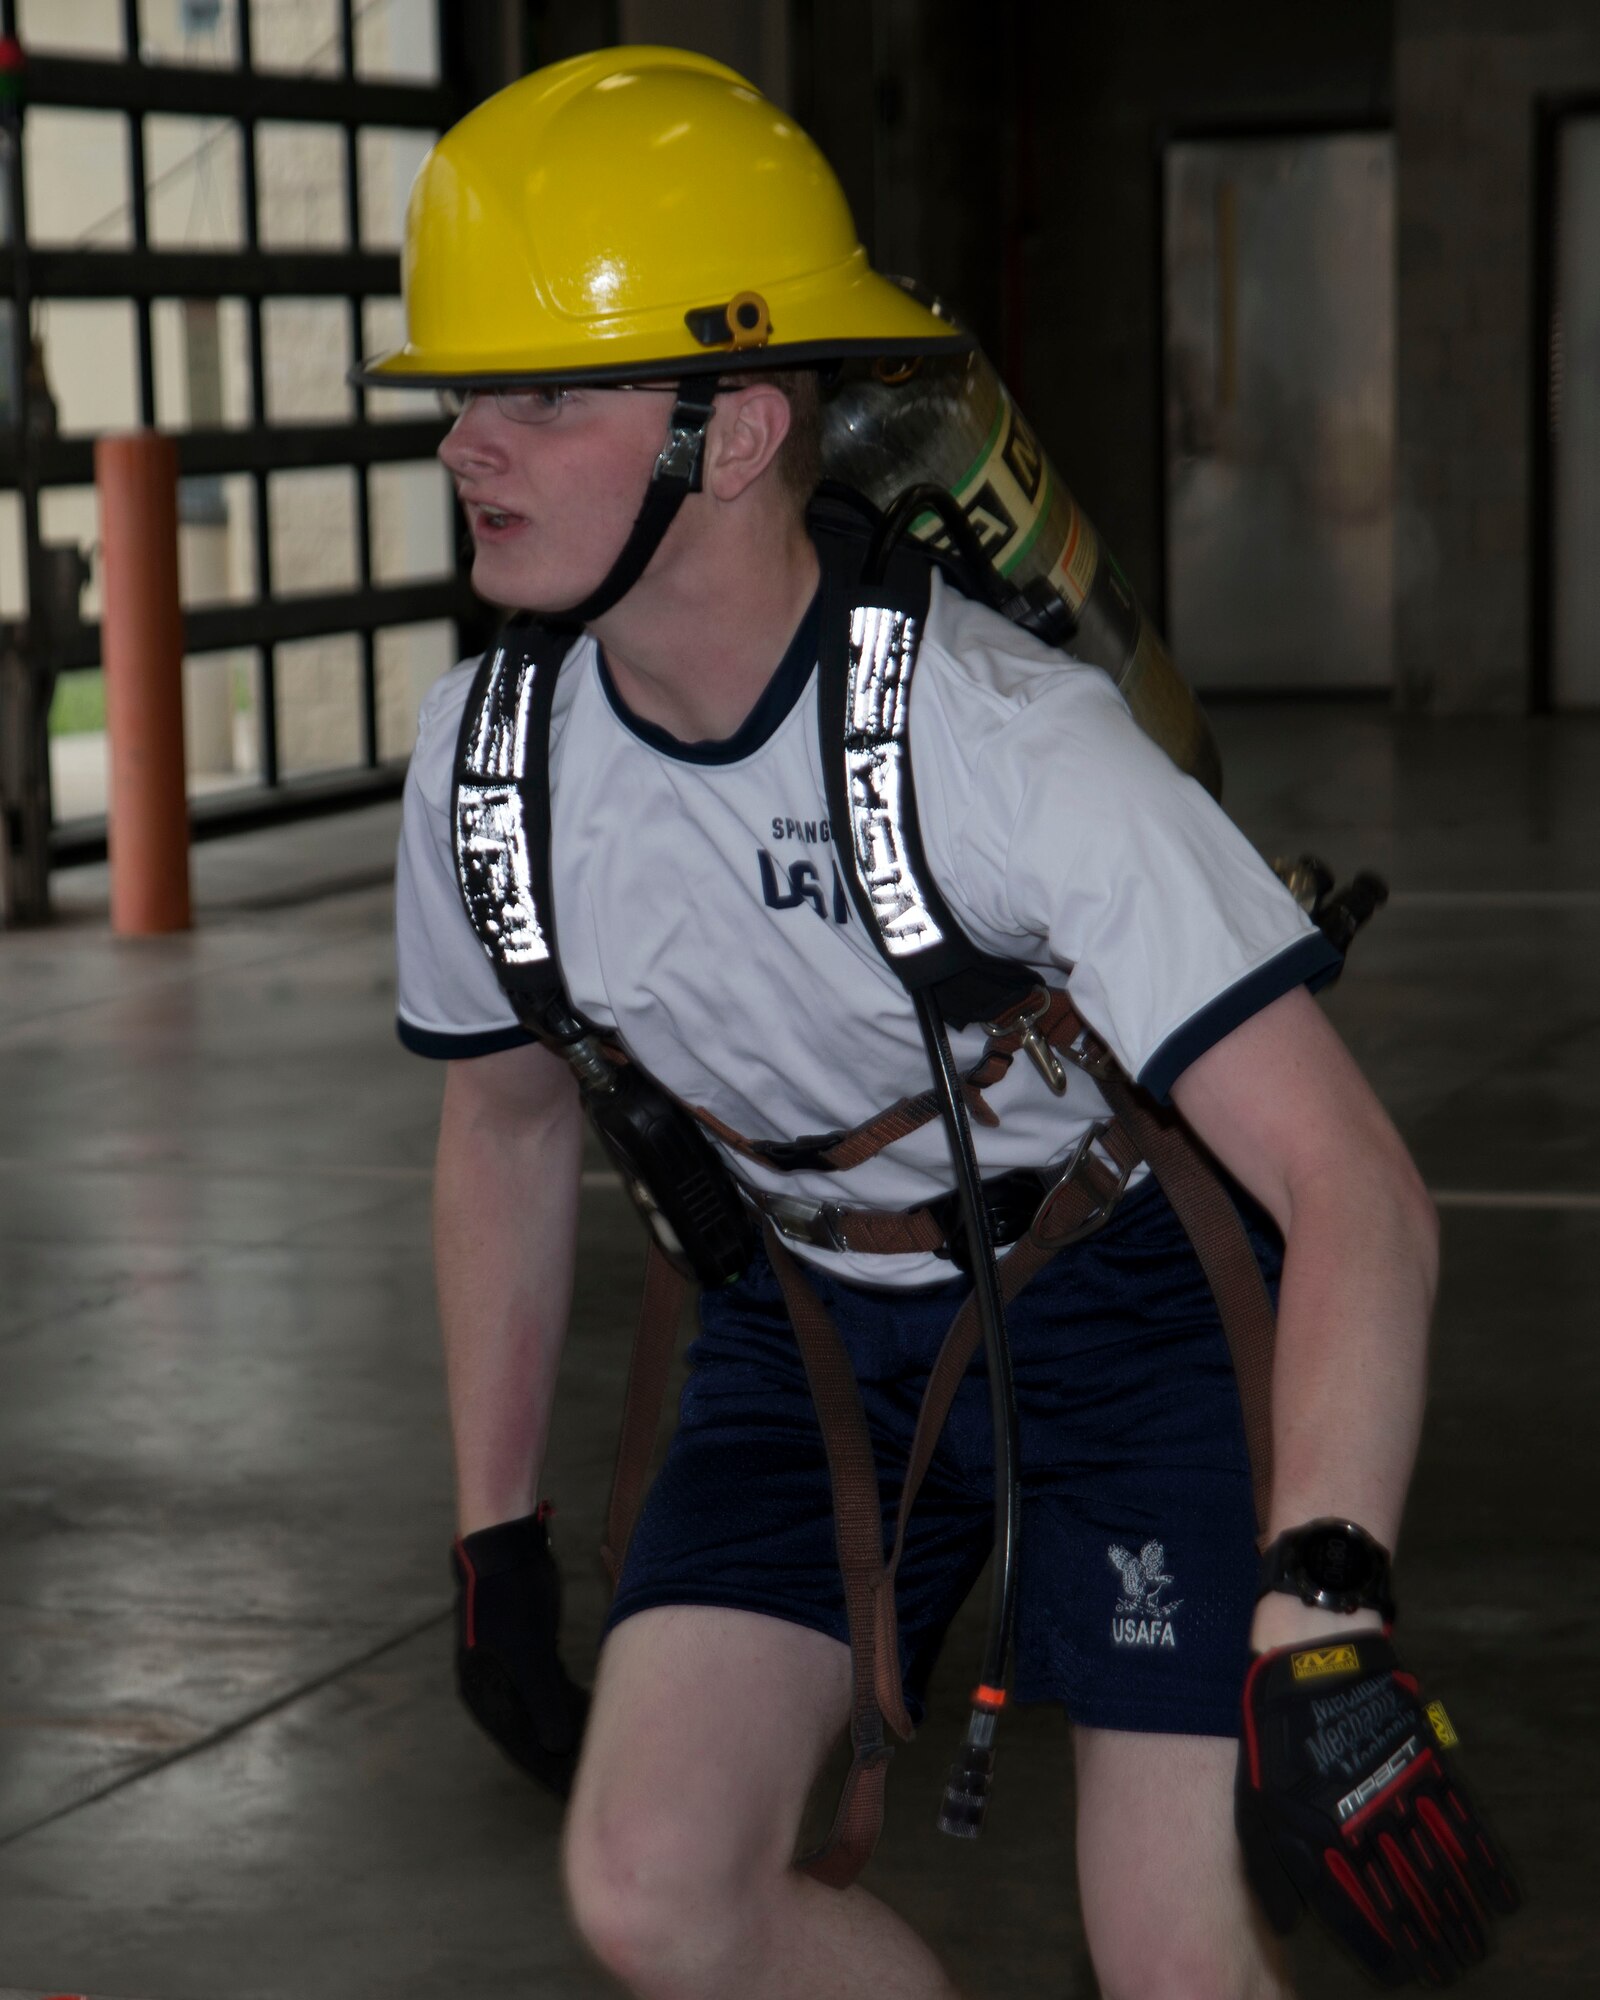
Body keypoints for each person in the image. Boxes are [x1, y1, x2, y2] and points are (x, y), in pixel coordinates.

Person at [364, 45, 1515, 2000]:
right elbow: (504, 1126)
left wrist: (1316, 1611)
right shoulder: (486, 776)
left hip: (1124, 1312)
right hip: (809, 1323)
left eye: (539, 394)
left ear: (727, 432)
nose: (467, 444)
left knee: (1167, 1958)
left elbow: (1350, 1189)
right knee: (652, 1885)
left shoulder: (1000, 750)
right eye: (462, 392)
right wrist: (495, 1535)